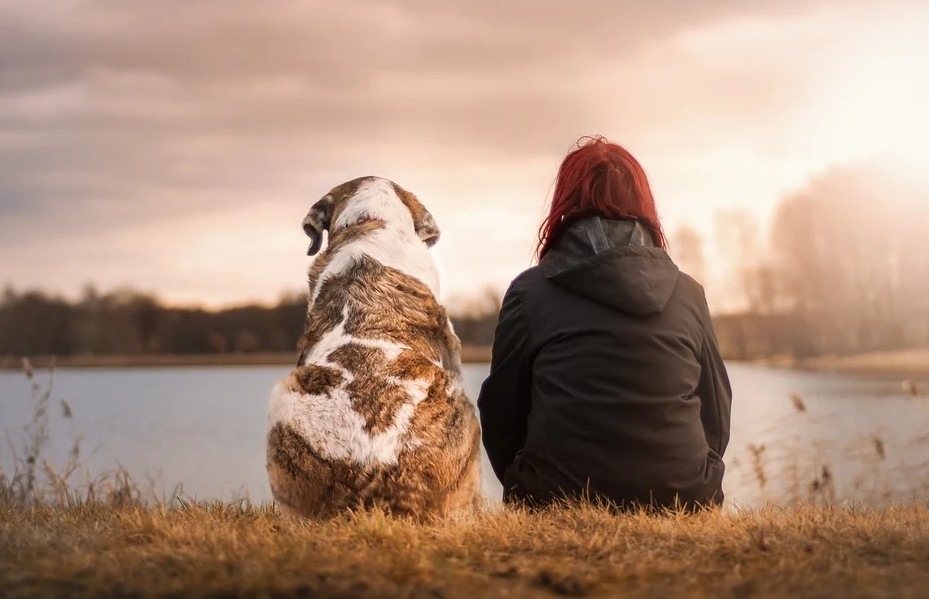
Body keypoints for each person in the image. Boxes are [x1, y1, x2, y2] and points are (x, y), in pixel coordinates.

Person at [476, 135, 732, 512]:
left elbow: (501, 413)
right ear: (643, 204)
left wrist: (523, 481)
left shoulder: (530, 293)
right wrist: (696, 477)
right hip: (684, 498)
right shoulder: (688, 293)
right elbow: (716, 410)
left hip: (556, 499)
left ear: (565, 203)